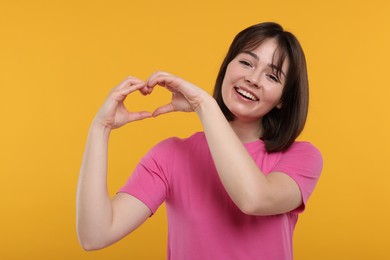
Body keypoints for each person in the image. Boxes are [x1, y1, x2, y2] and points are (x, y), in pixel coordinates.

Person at [76, 22, 323, 259]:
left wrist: (204, 105)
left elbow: (253, 198)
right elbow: (95, 235)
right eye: (246, 62)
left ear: (282, 99)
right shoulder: (171, 155)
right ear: (227, 67)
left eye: (272, 77)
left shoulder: (300, 157)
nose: (254, 79)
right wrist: (100, 128)